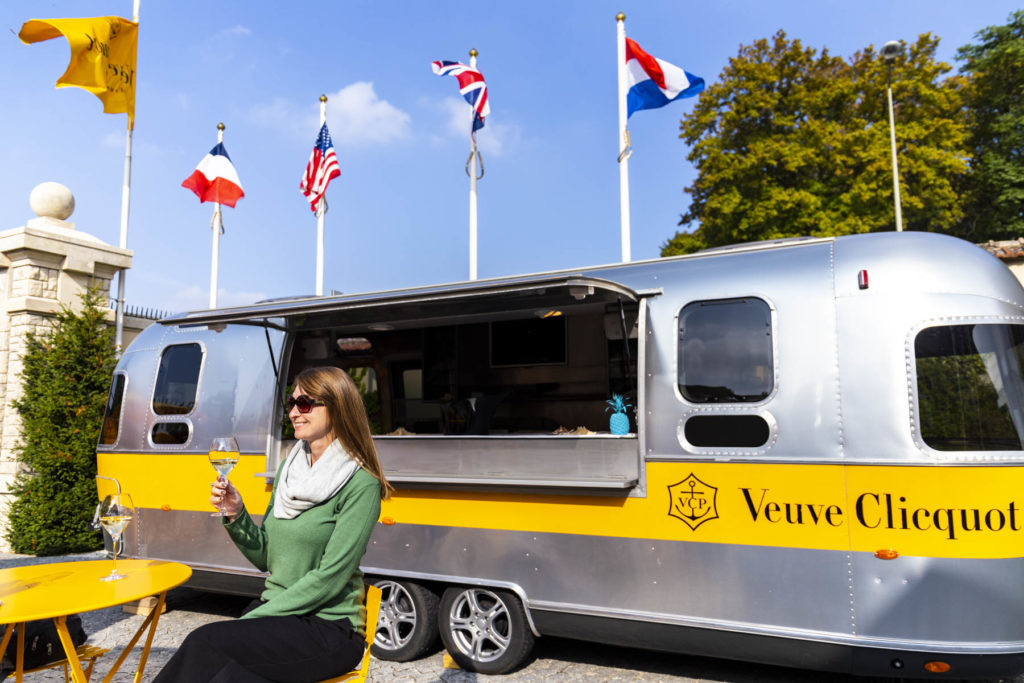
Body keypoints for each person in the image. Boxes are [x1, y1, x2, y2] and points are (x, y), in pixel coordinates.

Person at [154, 366, 393, 683]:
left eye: (305, 404)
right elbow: (266, 557)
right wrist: (236, 514)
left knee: (206, 642)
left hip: (327, 626)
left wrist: (252, 618)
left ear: (337, 407)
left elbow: (330, 579)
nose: (294, 412)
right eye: (291, 404)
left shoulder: (361, 484)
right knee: (224, 672)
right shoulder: (290, 469)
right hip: (280, 613)